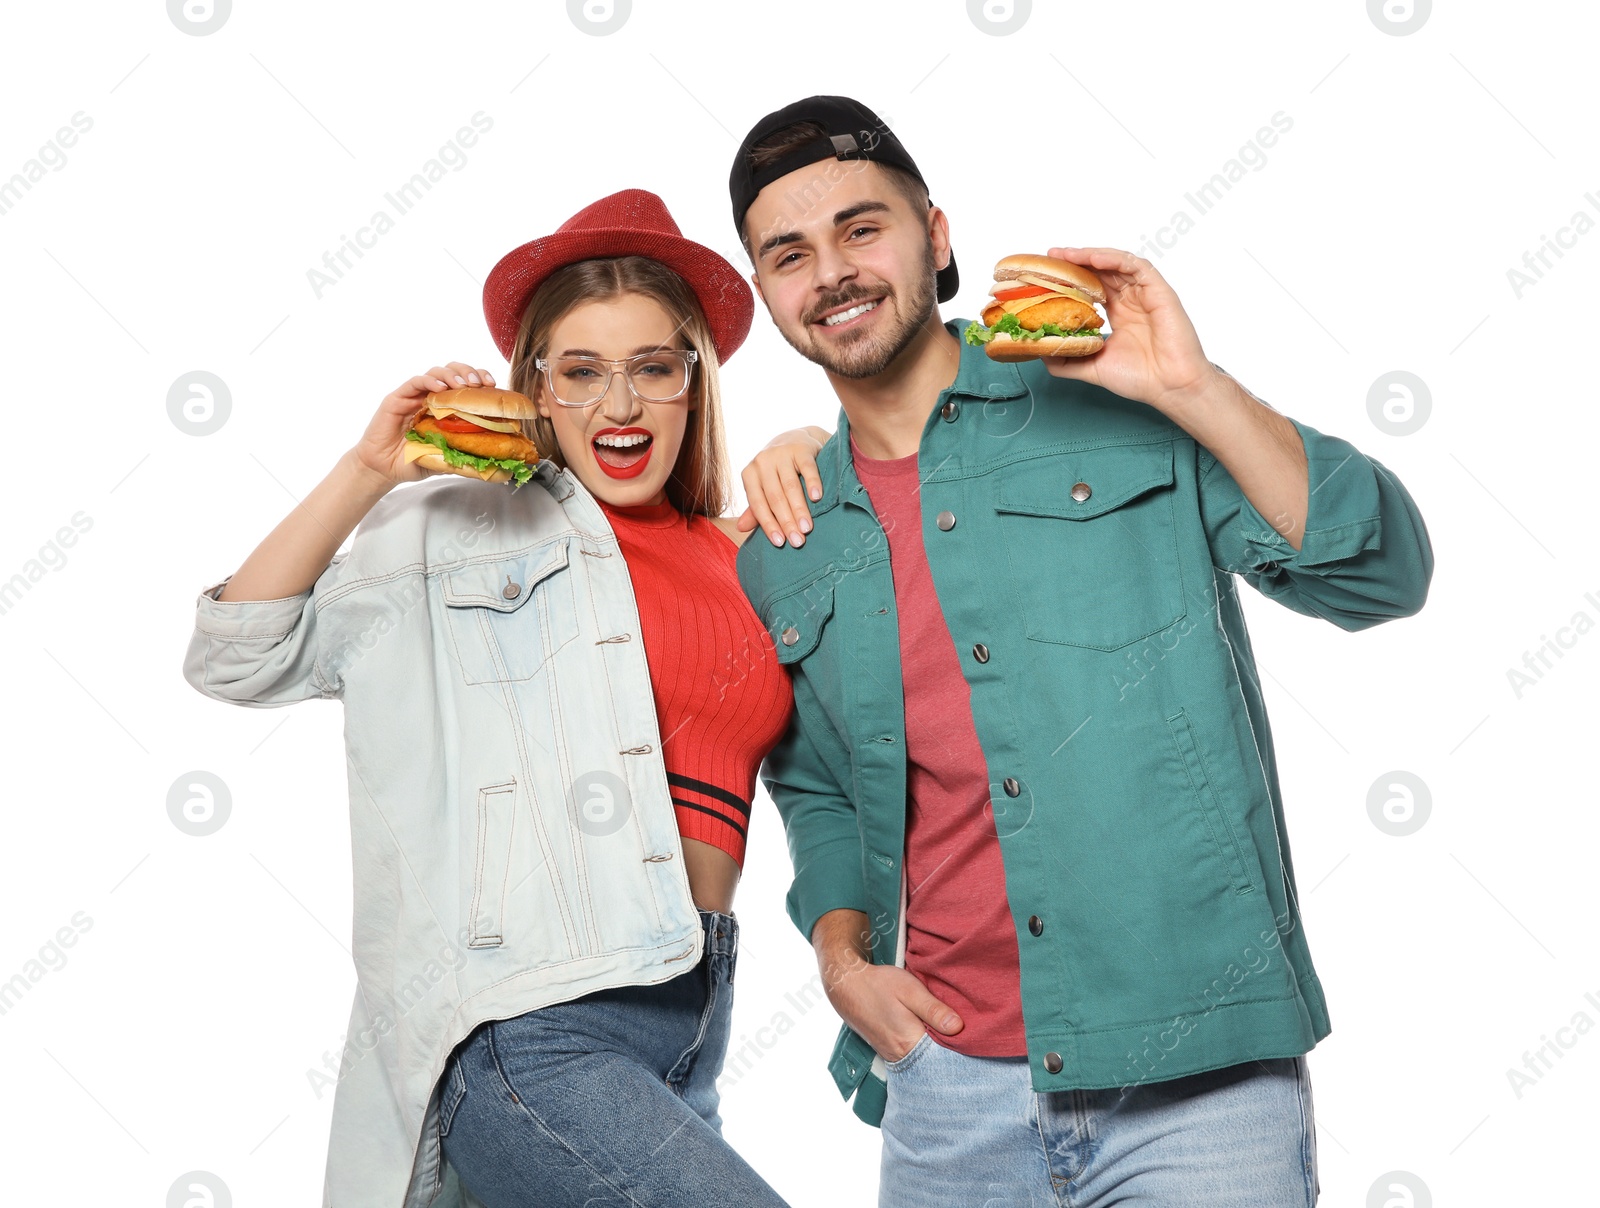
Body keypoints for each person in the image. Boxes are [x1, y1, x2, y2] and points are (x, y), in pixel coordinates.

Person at [726, 96, 1435, 1207]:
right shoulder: (788, 539)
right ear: (767, 291)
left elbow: (1378, 572)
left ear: (935, 233)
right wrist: (840, 958)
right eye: (789, 253)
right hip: (946, 1092)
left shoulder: (1115, 400)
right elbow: (815, 783)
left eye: (862, 228)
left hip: (1200, 1080)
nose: (831, 272)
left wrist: (1192, 388)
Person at [182, 189, 823, 1208]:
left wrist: (806, 442)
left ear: (693, 384)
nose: (618, 405)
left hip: (697, 1015)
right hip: (535, 1021)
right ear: (537, 389)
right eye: (581, 372)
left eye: (653, 368)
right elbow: (236, 655)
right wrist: (367, 471)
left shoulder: (736, 556)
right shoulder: (462, 528)